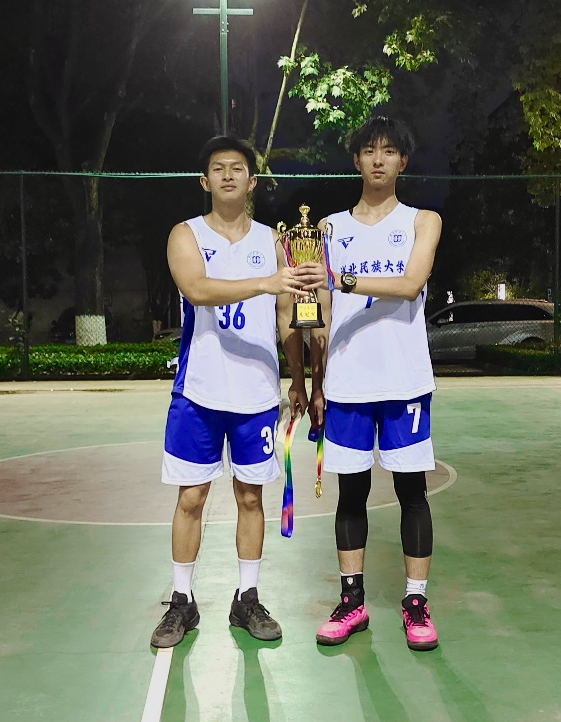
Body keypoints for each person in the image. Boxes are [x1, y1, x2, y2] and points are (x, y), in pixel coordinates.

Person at [151, 136, 325, 648]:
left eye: (238, 168)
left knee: (251, 496)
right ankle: (182, 601)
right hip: (199, 391)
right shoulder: (186, 234)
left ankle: (246, 598)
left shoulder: (275, 241)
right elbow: (197, 289)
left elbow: (287, 315)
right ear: (205, 182)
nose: (228, 175)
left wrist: (299, 377)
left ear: (252, 181)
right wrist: (265, 282)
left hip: (256, 393)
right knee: (192, 497)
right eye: (218, 168)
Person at [309, 116, 442, 651]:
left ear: (402, 161)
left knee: (412, 492)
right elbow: (319, 313)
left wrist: (341, 279)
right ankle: (352, 602)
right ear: (357, 161)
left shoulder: (422, 220)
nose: (379, 159)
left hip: (404, 379)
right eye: (369, 151)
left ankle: (416, 604)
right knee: (351, 494)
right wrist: (314, 381)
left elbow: (410, 284)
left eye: (389, 151)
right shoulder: (327, 229)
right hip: (347, 381)